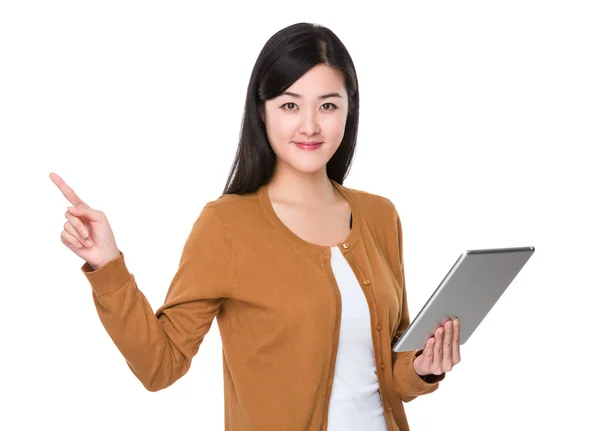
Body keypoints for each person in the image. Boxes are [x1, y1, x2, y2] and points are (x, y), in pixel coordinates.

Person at [50, 22, 461, 431]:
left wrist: (424, 367)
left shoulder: (380, 215)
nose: (310, 126)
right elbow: (161, 366)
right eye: (290, 105)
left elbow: (392, 374)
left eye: (328, 105)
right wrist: (108, 267)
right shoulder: (226, 225)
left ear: (349, 110)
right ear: (261, 111)